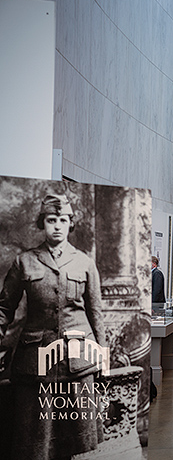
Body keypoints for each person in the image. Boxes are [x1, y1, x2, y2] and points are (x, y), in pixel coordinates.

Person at [0, 194, 105, 459]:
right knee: (35, 440)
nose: (57, 225)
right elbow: (4, 309)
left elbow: (95, 312)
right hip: (35, 362)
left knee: (77, 438)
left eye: (62, 220)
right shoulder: (24, 262)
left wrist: (102, 355)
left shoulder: (84, 263)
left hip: (78, 361)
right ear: (42, 223)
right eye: (51, 220)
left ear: (71, 224)